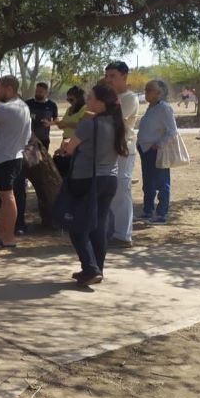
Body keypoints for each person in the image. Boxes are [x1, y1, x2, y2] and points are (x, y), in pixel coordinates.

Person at [62, 84, 127, 286]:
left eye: (90, 98)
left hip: (86, 179)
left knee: (77, 224)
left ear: (101, 103)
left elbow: (70, 148)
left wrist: (66, 146)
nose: (87, 102)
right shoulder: (116, 123)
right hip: (110, 179)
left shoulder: (89, 124)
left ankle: (90, 268)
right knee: (98, 225)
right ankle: (96, 268)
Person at [0, 75, 31, 249]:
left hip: (5, 158)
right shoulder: (24, 107)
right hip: (14, 157)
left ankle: (8, 237)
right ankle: (2, 232)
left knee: (7, 197)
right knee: (6, 199)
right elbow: (27, 135)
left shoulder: (5, 109)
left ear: (9, 89)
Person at [13, 82, 59, 234]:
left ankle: (50, 217)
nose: (38, 93)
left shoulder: (52, 105)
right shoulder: (28, 104)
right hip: (27, 145)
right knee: (22, 178)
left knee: (42, 178)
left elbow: (56, 120)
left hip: (40, 144)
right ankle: (19, 220)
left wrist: (50, 123)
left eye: (41, 91)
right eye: (37, 90)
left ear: (46, 92)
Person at [104, 61, 138, 248]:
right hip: (108, 150)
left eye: (113, 76)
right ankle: (111, 231)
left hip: (124, 149)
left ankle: (123, 235)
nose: (108, 80)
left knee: (121, 189)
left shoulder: (129, 98)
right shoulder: (109, 97)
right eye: (107, 76)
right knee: (110, 189)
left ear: (124, 77)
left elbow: (112, 121)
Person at [136, 79, 177, 225]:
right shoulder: (151, 107)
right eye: (145, 90)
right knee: (148, 182)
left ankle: (161, 214)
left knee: (161, 182)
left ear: (159, 93)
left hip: (157, 151)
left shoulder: (164, 107)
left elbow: (172, 132)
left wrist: (159, 144)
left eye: (149, 90)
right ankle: (148, 211)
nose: (146, 93)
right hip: (145, 150)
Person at [53, 86, 88, 176]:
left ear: (79, 98)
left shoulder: (85, 109)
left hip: (75, 141)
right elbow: (63, 123)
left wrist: (67, 124)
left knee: (71, 166)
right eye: (67, 98)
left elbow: (81, 126)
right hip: (65, 140)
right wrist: (55, 123)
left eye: (71, 99)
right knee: (62, 164)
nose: (68, 101)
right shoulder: (69, 109)